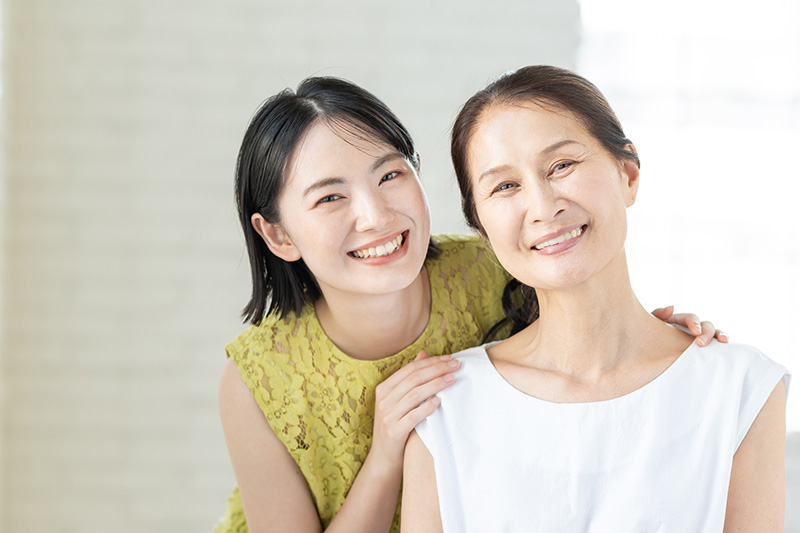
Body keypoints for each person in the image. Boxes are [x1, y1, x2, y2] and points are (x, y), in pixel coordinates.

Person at [214, 76, 724, 533]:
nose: (375, 216)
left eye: (389, 175)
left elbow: (585, 326)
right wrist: (386, 455)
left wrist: (650, 340)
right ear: (278, 235)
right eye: (330, 198)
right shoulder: (258, 379)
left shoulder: (496, 267)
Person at [403, 65, 789, 532]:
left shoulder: (738, 387)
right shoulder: (444, 407)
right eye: (505, 186)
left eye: (562, 166)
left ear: (628, 174)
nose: (543, 207)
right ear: (482, 228)